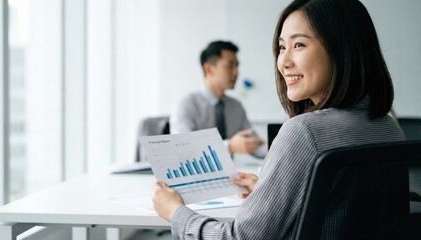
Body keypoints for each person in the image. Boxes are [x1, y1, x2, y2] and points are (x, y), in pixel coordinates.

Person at [153, 0, 406, 239]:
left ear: (342, 48)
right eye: (282, 47)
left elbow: (239, 237)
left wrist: (176, 213)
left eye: (299, 45)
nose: (282, 62)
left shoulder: (304, 131)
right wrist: (269, 189)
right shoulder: (389, 127)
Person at [170, 40, 266, 158]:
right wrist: (229, 146)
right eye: (230, 65)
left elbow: (254, 144)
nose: (236, 73)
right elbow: (182, 148)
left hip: (232, 175)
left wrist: (277, 148)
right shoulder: (185, 104)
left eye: (237, 66)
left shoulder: (236, 106)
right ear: (209, 69)